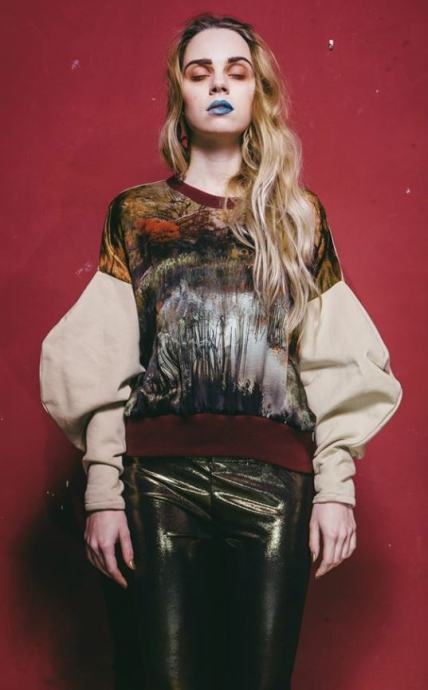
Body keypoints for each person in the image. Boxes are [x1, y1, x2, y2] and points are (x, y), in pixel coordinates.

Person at [39, 12, 403, 690]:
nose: (217, 85)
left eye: (236, 72)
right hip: (157, 486)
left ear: (258, 92)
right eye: (199, 72)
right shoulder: (136, 215)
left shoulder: (299, 218)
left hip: (274, 489)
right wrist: (102, 494)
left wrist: (336, 490)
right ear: (178, 92)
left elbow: (334, 361)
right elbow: (98, 358)